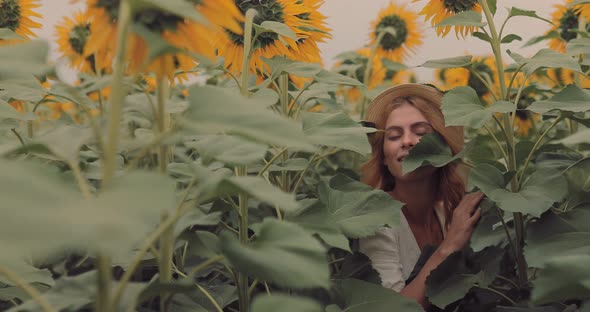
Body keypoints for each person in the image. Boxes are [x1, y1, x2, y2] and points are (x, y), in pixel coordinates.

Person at [359, 83, 484, 308]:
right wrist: (449, 246)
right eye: (394, 136)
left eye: (421, 133)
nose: (407, 141)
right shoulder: (376, 219)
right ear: (384, 158)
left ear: (444, 148)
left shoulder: (454, 210)